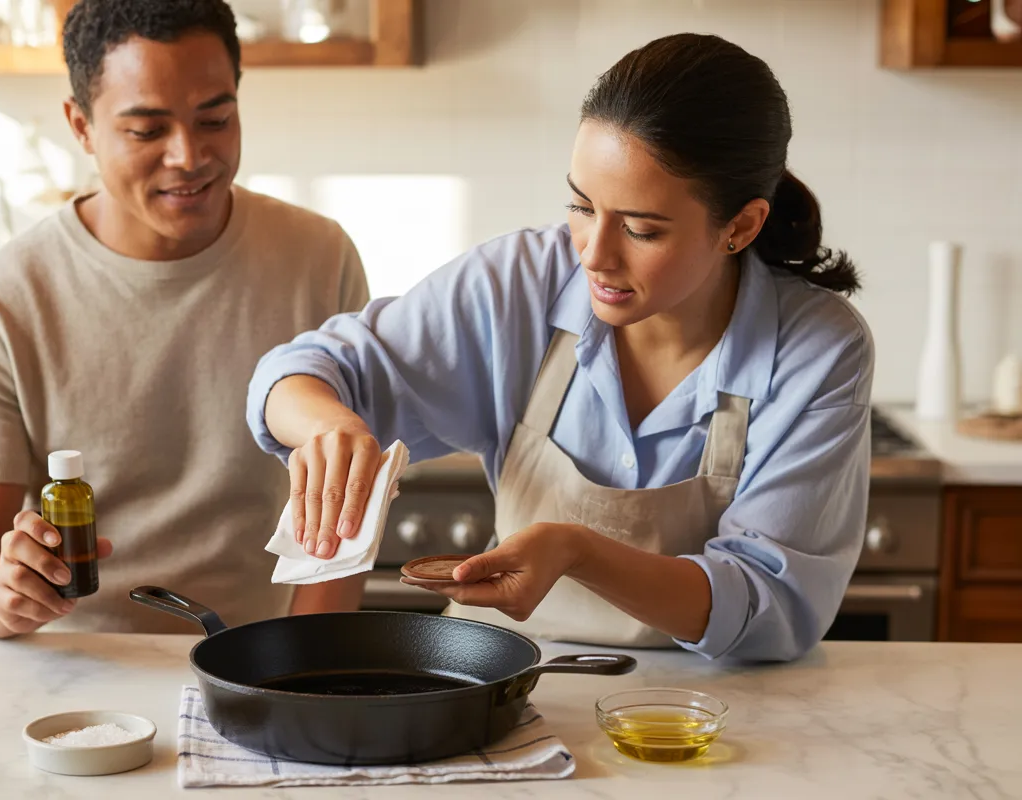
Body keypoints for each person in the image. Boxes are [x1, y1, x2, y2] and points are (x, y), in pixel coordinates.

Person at [247, 33, 873, 662]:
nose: (594, 255)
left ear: (739, 226)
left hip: (706, 713)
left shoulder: (817, 349)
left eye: (640, 229)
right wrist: (330, 427)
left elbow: (767, 605)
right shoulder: (517, 283)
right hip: (501, 682)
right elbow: (301, 372)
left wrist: (581, 552)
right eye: (580, 205)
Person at [0, 0, 370, 638]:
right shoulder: (0, 303)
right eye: (146, 131)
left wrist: (297, 668)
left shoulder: (319, 259)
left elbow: (344, 510)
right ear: (80, 126)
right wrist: (3, 592)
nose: (189, 156)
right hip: (76, 675)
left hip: (259, 662)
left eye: (215, 119)